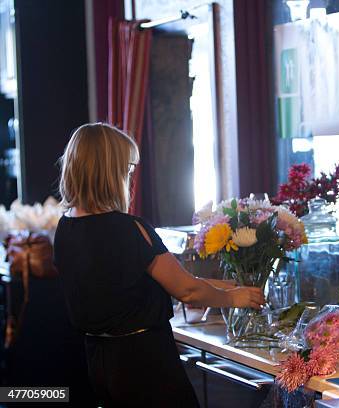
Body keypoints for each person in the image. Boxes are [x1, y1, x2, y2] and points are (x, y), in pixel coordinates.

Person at [53, 123, 265, 407]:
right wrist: (233, 298)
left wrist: (221, 285)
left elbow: (124, 283)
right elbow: (187, 290)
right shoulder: (129, 228)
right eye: (127, 169)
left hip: (99, 362)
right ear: (110, 171)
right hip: (143, 362)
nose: (130, 177)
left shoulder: (65, 228)